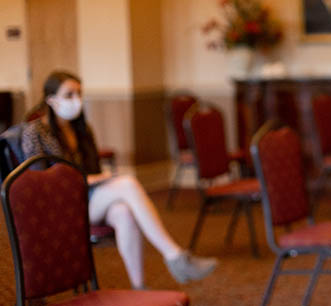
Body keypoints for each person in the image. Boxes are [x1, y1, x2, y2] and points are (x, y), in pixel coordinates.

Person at [21, 71, 218, 289]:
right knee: (127, 184)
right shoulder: (34, 132)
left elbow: (92, 167)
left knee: (123, 212)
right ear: (51, 100)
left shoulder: (81, 128)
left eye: (79, 93)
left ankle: (139, 287)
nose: (76, 100)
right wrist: (89, 179)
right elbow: (39, 183)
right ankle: (175, 256)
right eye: (69, 94)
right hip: (59, 205)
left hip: (86, 198)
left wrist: (95, 178)